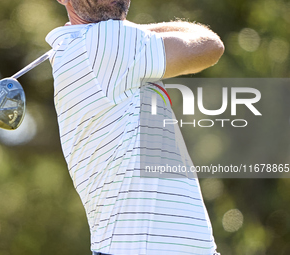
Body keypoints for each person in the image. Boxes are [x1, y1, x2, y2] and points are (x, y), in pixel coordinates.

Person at [46, 0, 224, 254]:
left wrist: (131, 30)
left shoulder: (78, 48)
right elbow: (209, 45)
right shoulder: (105, 41)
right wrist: (133, 29)